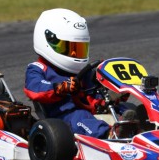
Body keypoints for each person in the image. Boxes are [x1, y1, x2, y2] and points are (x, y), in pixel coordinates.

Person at [24, 8, 110, 138]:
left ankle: (138, 127)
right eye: (69, 48)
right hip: (62, 119)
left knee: (122, 108)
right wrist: (60, 87)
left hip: (87, 110)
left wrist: (112, 97)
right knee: (80, 117)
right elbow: (35, 89)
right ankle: (109, 135)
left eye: (79, 48)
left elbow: (92, 95)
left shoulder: (83, 72)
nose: (75, 54)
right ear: (49, 41)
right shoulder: (37, 69)